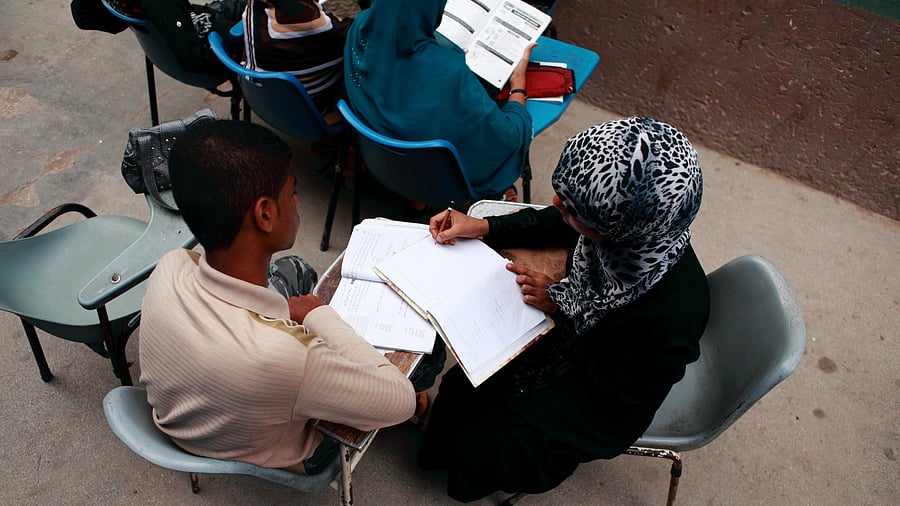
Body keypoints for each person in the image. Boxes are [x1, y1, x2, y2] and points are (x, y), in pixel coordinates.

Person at [418, 117, 710, 501]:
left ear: (618, 233)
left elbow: (618, 413)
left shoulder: (669, 320)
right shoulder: (628, 230)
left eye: (574, 210)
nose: (557, 205)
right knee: (463, 385)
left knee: (487, 437)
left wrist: (562, 306)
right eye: (563, 195)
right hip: (576, 340)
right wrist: (483, 227)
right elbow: (559, 221)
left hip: (596, 397)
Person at [139, 120, 416, 475]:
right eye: (293, 192)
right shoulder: (287, 358)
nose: (297, 201)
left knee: (295, 271)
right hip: (280, 452)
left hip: (193, 426)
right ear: (265, 214)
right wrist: (318, 315)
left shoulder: (170, 267)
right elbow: (399, 399)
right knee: (421, 363)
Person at [344, 0, 534, 200]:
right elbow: (508, 140)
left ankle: (415, 203)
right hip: (438, 186)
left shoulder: (361, 28)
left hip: (380, 159)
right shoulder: (449, 74)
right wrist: (518, 83)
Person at [242, 0, 352, 115]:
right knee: (357, 55)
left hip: (259, 93)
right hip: (302, 105)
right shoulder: (306, 18)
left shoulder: (256, 5)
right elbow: (354, 34)